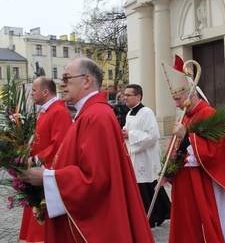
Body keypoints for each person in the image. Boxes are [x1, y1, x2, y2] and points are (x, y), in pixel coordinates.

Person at [20, 57, 154, 242]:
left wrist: (46, 177)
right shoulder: (89, 113)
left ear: (87, 80)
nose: (62, 84)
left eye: (67, 78)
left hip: (98, 220)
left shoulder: (96, 116)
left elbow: (95, 178)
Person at [162, 57, 225, 243]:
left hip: (206, 183)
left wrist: (186, 135)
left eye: (178, 99)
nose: (177, 104)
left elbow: (215, 151)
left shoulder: (209, 115)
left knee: (208, 223)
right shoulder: (185, 117)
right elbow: (176, 148)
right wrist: (167, 170)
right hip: (186, 183)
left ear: (190, 95)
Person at [18, 76, 72, 243]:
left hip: (47, 171)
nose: (31, 94)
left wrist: (35, 159)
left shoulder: (59, 111)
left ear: (45, 91)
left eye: (34, 90)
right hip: (39, 170)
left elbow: (60, 144)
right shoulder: (46, 110)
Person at [122, 84, 171, 228]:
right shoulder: (129, 113)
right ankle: (151, 215)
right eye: (124, 95)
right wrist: (124, 132)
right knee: (142, 185)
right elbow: (129, 129)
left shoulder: (147, 112)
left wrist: (129, 134)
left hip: (146, 156)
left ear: (138, 96)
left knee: (147, 184)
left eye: (128, 95)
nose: (125, 98)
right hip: (135, 155)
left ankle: (155, 215)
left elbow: (153, 135)